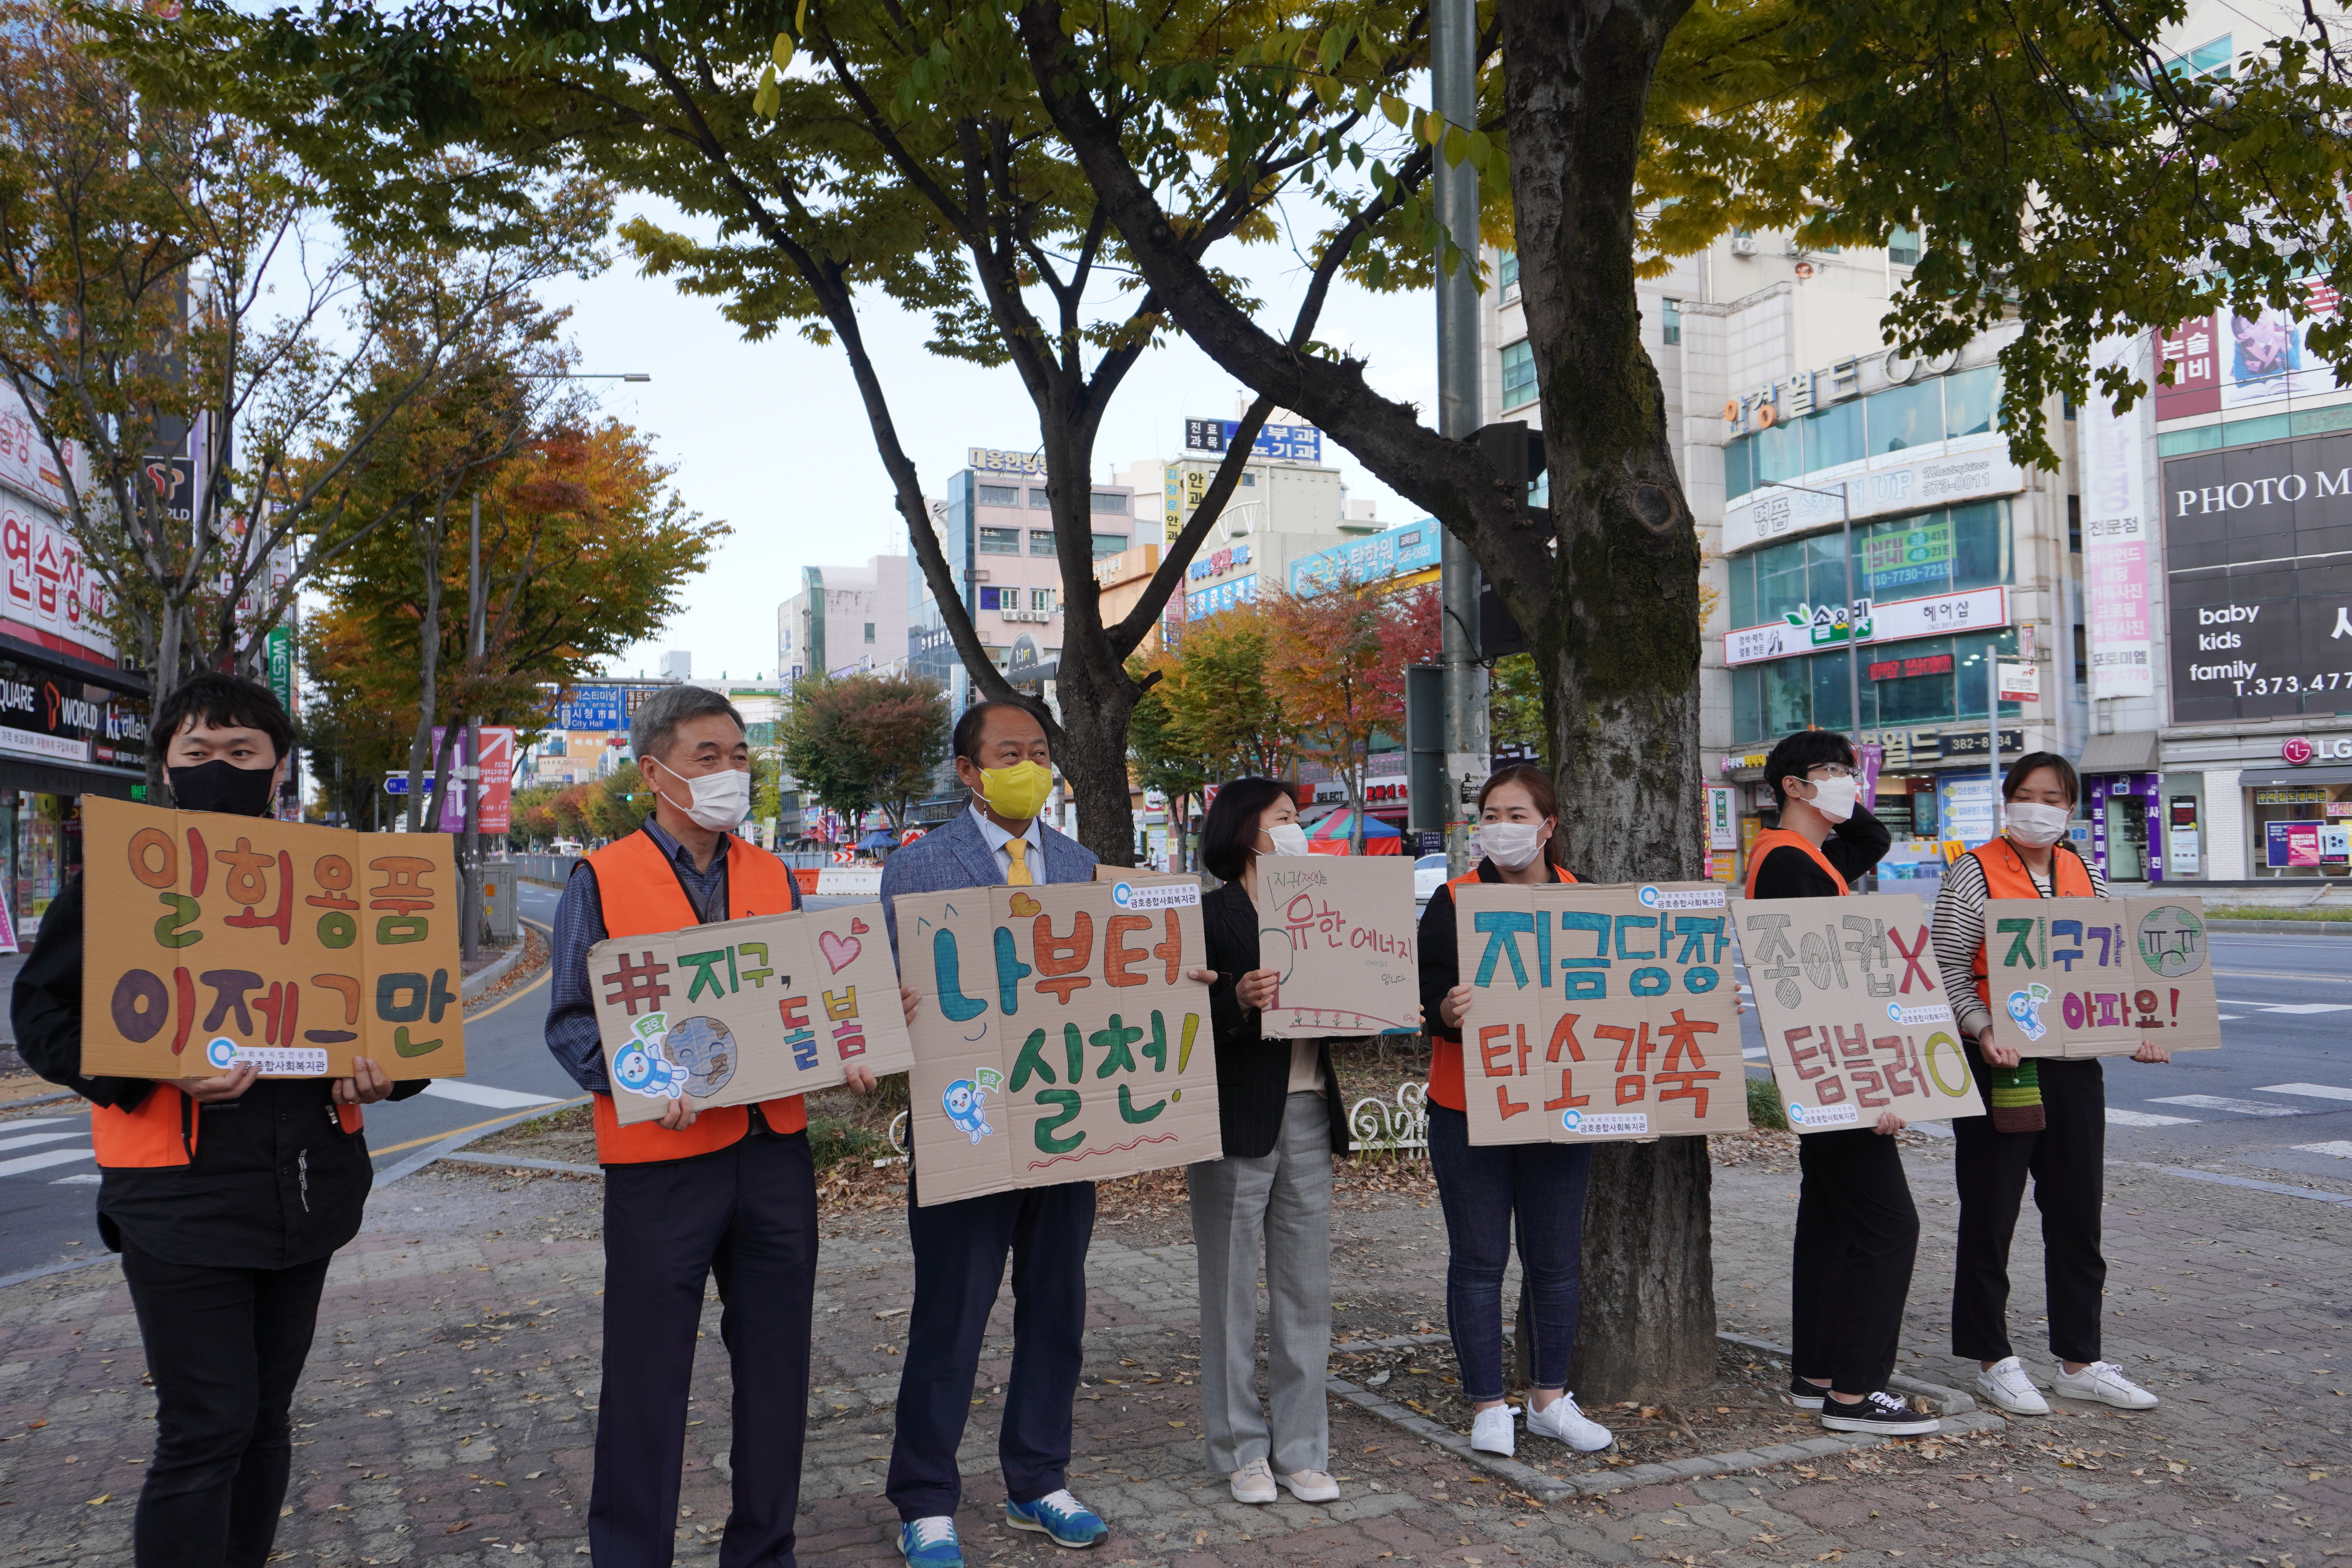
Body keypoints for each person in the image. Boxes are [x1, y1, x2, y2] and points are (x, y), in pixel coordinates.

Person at [12, 671, 424, 1568]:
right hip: (176, 1201)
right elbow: (42, 1017)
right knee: (208, 1424)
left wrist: (396, 1075)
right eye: (199, 753)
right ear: (165, 768)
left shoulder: (334, 881)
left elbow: (404, 1019)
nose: (221, 770)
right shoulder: (116, 880)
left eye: (243, 753)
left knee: (267, 1419)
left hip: (308, 1195)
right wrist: (150, 1066)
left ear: (279, 769)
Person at [544, 683, 914, 1567]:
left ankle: (765, 1549)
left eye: (740, 756)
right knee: (646, 1376)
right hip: (660, 1161)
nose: (729, 772)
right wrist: (638, 1080)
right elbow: (570, 1021)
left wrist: (856, 1035)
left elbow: (803, 1003)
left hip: (774, 1152)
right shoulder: (602, 878)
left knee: (778, 1368)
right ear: (656, 771)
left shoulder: (771, 873)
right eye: (708, 756)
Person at [876, 700, 1109, 1568]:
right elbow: (891, 985)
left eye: (1041, 751)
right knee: (952, 1314)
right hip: (964, 1118)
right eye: (1010, 752)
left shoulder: (1083, 863)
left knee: (1057, 1308)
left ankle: (1038, 1478)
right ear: (969, 771)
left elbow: (1112, 982)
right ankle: (926, 1499)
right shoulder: (920, 866)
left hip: (1066, 1119)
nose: (1030, 766)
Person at [1931, 751, 2168, 1415]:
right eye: (2027, 795)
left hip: (2072, 1066)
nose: (2040, 808)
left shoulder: (2081, 869)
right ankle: (1992, 1359)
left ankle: (2080, 1360)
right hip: (2001, 1064)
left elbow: (2103, 965)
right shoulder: (1971, 872)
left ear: (2069, 809)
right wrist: (1981, 1029)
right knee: (1992, 1214)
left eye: (2054, 798)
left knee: (2076, 1216)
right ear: (2008, 801)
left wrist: (2135, 1030)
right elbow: (1947, 967)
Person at [1415, 765, 1615, 1459]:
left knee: (1555, 1262)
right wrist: (1446, 1009)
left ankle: (1550, 1400)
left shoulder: (1587, 900)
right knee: (1479, 1262)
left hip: (1560, 1105)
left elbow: (1625, 994)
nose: (1503, 827)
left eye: (1518, 814)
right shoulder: (1455, 898)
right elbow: (1428, 988)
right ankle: (1489, 1405)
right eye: (1492, 814)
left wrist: (1700, 1007)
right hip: (1467, 1106)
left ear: (1549, 827)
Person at [1746, 730, 1936, 1437]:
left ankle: (1818, 1374)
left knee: (1829, 1222)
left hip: (1819, 1069)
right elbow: (1819, 991)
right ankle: (1856, 1396)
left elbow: (1875, 839)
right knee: (1889, 1228)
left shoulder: (1802, 857)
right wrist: (1873, 1085)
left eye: (1851, 773)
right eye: (1833, 773)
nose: (1849, 785)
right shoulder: (1791, 865)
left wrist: (1839, 794)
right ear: (1793, 786)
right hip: (1834, 1071)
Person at [1188, 779, 1351, 1504]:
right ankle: (1239, 1450)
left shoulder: (1329, 905)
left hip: (1311, 1111)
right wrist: (1236, 1000)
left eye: (1299, 819)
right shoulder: (1209, 912)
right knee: (1230, 1288)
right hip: (1233, 1118)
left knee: (1304, 1290)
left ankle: (1302, 1449)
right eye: (1285, 818)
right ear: (1246, 829)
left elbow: (1356, 988)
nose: (1298, 829)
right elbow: (1182, 1016)